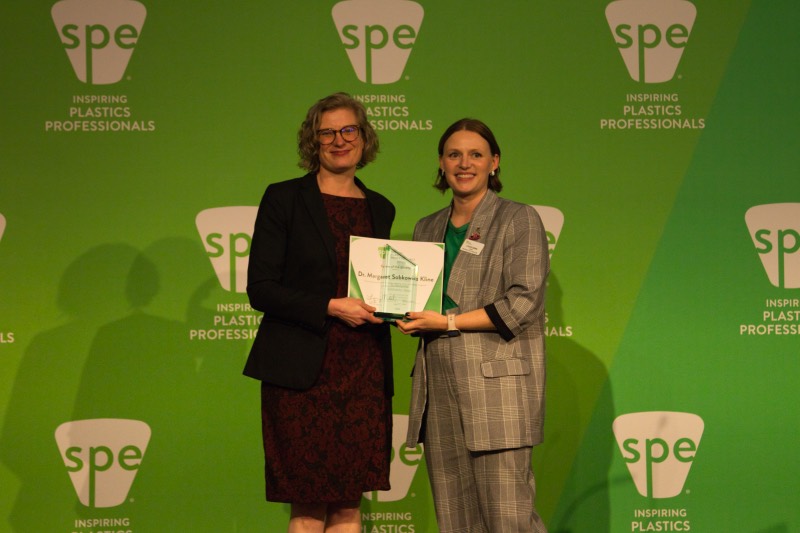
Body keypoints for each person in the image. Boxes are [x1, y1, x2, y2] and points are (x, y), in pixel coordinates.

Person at [243, 92, 395, 533]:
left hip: (363, 370)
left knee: (348, 505)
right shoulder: (284, 198)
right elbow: (261, 289)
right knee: (307, 509)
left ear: (364, 138)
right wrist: (330, 306)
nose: (339, 140)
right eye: (327, 133)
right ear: (313, 141)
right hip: (300, 373)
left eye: (348, 130)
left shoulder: (380, 207)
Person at [396, 118, 549, 532]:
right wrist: (399, 311)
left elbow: (523, 303)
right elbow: (420, 300)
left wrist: (446, 321)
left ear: (494, 162)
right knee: (455, 522)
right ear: (441, 163)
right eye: (454, 155)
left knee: (509, 519)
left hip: (497, 392)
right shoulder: (427, 227)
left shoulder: (518, 219)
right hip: (439, 389)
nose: (465, 164)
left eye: (476, 154)